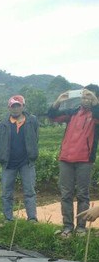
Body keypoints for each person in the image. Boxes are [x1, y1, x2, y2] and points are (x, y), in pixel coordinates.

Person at [47, 88, 99, 237]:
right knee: (66, 194)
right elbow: (52, 116)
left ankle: (81, 228)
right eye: (84, 97)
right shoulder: (73, 112)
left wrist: (96, 101)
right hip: (66, 159)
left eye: (90, 97)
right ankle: (67, 227)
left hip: (85, 160)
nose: (86, 100)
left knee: (83, 194)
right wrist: (58, 101)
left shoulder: (95, 115)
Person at [0, 95, 39, 222]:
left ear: (23, 106)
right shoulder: (3, 124)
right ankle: (8, 218)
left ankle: (32, 218)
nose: (15, 109)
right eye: (12, 106)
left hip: (27, 162)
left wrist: (32, 154)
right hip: (8, 163)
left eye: (18, 106)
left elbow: (35, 138)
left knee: (29, 191)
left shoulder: (32, 121)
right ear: (9, 108)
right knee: (6, 193)